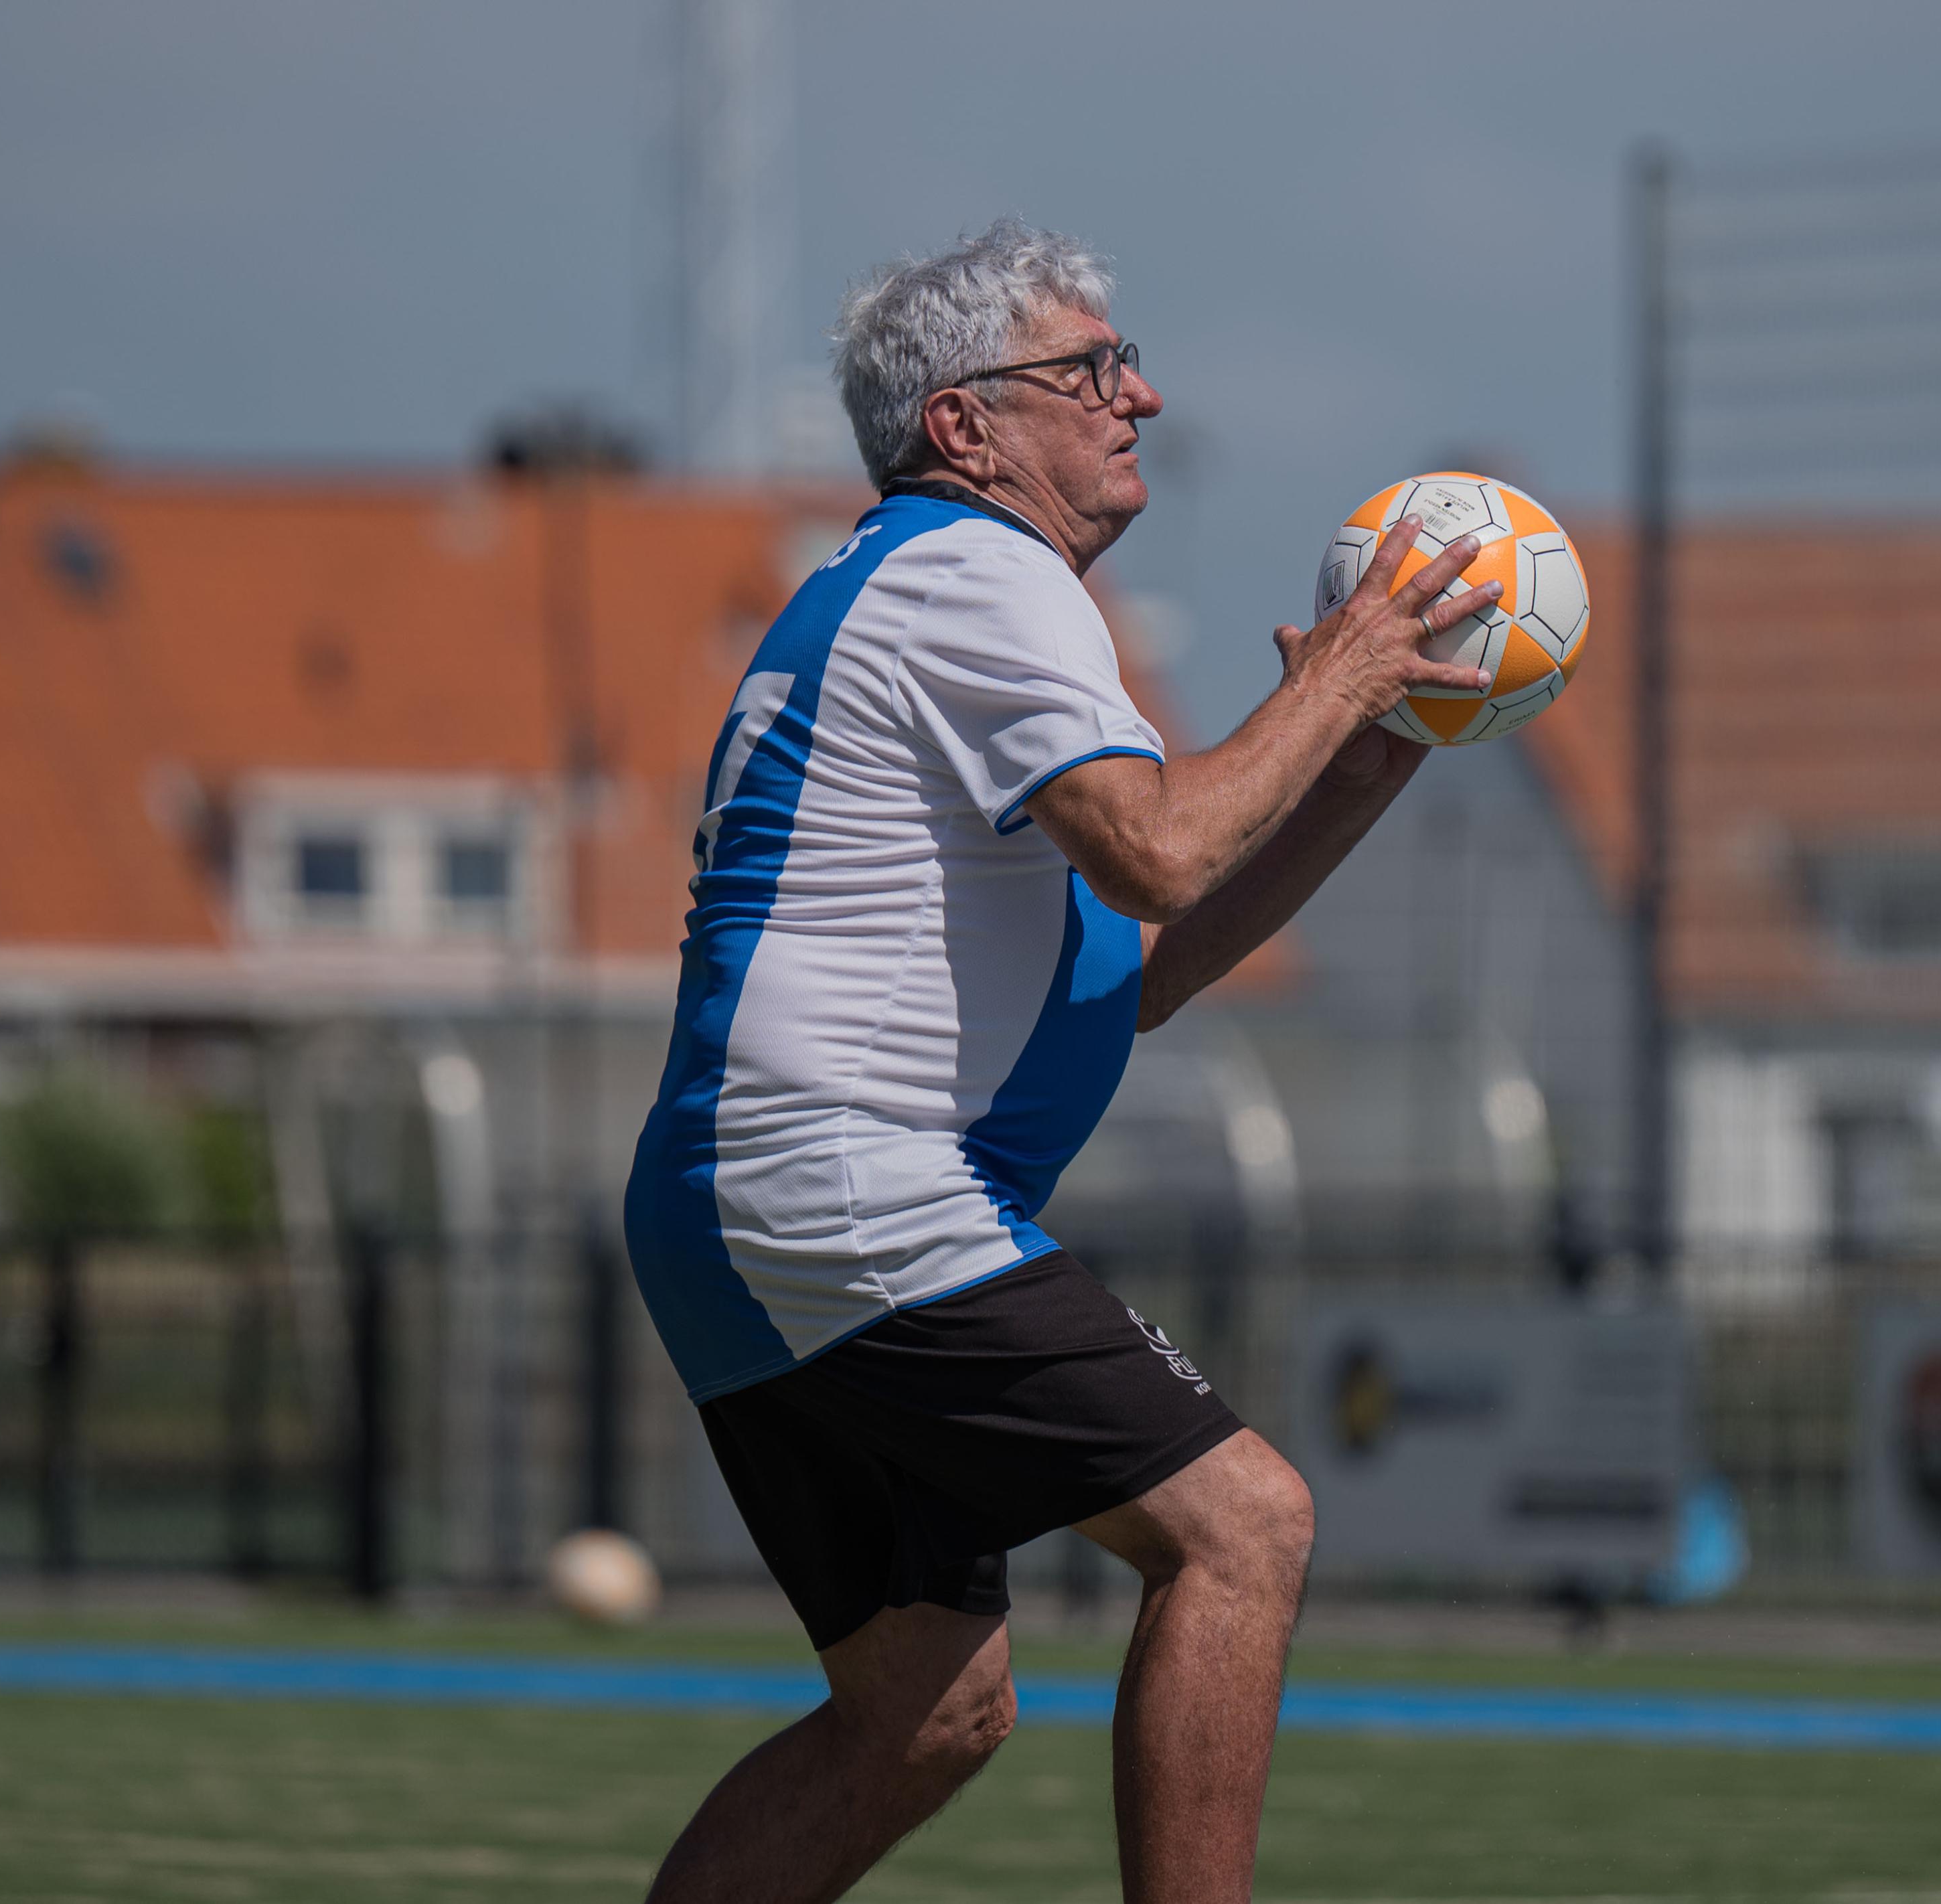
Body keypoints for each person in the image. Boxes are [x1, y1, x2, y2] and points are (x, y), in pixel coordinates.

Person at [623, 218, 1498, 1904]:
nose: (1139, 397)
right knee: (1245, 1527)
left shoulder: (922, 586)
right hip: (835, 1178)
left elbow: (1140, 970)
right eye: (1091, 369)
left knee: (924, 1715)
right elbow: (1162, 849)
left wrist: (1351, 769)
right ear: (964, 425)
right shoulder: (980, 573)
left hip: (735, 1202)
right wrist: (1336, 680)